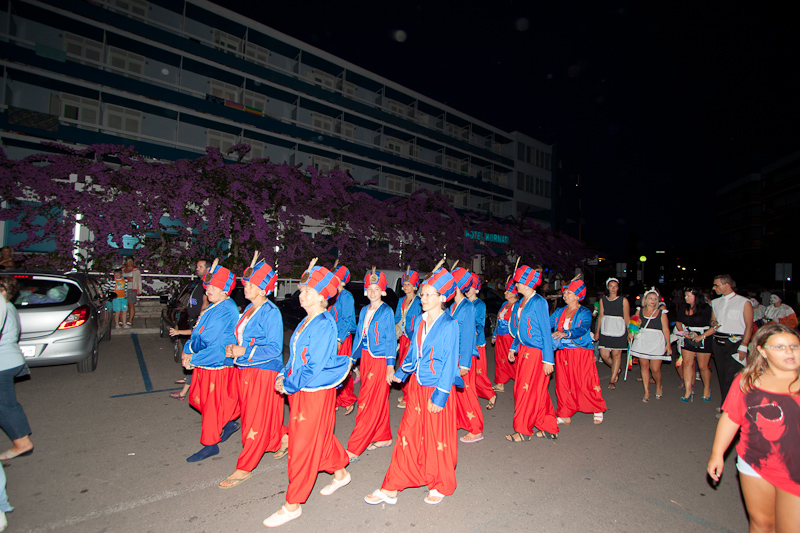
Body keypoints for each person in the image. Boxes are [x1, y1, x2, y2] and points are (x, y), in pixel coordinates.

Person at [364, 262, 462, 506]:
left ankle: (440, 483)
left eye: (429, 294)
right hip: (417, 387)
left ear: (443, 297)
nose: (423, 297)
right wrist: (401, 372)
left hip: (438, 389)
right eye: (422, 293)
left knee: (437, 438)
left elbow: (450, 363)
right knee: (407, 434)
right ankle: (392, 486)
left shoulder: (450, 325)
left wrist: (440, 397)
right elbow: (413, 354)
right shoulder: (419, 320)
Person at [264, 261, 351, 528]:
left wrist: (289, 384)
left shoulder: (324, 324)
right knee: (319, 436)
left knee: (301, 445)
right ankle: (340, 472)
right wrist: (283, 374)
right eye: (302, 291)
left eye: (308, 291)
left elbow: (313, 367)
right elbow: (295, 358)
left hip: (313, 392)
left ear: (323, 296)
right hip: (301, 388)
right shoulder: (306, 320)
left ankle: (292, 504)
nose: (302, 296)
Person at [707, 324, 800, 532]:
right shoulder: (747, 381)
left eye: (794, 346)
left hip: (795, 470)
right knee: (761, 523)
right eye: (780, 347)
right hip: (754, 462)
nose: (789, 351)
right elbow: (731, 417)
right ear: (762, 351)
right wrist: (717, 453)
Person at [218, 258, 287, 489]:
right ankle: (282, 438)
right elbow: (243, 337)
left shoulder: (271, 312)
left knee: (253, 419)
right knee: (258, 413)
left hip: (263, 373)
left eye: (249, 284)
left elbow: (276, 348)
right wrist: (233, 348)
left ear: (262, 288)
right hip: (245, 369)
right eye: (245, 283)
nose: (244, 287)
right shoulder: (249, 308)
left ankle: (245, 466)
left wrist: (243, 350)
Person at [181, 261, 240, 462]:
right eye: (209, 286)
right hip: (207, 360)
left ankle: (210, 443)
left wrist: (189, 349)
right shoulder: (218, 306)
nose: (209, 290)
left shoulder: (224, 308)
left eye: (215, 287)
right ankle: (230, 421)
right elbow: (199, 331)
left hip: (216, 363)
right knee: (200, 399)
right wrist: (189, 347)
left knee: (211, 405)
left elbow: (206, 337)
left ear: (225, 290)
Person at [346, 268, 397, 461]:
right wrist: (352, 359)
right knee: (378, 399)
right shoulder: (364, 310)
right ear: (366, 290)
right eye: (370, 288)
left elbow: (391, 339)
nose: (373, 292)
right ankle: (383, 437)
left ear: (382, 291)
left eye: (377, 288)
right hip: (366, 358)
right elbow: (359, 336)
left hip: (380, 360)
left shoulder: (387, 311)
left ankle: (355, 446)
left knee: (367, 401)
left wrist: (390, 366)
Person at [506, 264, 558, 441]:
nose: (516, 286)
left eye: (518, 282)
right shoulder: (522, 301)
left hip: (536, 353)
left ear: (527, 284)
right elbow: (520, 328)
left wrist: (548, 359)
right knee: (538, 390)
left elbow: (545, 331)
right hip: (524, 350)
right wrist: (514, 346)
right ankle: (549, 426)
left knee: (525, 390)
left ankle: (523, 430)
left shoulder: (539, 302)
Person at [551, 277, 607, 426]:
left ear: (577, 295)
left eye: (569, 292)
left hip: (580, 351)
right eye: (565, 292)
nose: (565, 295)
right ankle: (565, 414)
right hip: (562, 352)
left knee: (585, 381)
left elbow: (582, 329)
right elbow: (548, 322)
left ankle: (597, 408)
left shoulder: (584, 312)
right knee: (563, 383)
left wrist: (565, 333)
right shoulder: (560, 311)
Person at [0, 276, 34, 461]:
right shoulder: (9, 307)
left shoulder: (2, 308)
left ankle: (21, 443)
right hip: (10, 359)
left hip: (3, 362)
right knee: (6, 404)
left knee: (5, 405)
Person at [450, 267, 483, 444]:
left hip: (465, 357)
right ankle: (459, 421)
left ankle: (476, 429)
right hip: (454, 356)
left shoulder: (468, 307)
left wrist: (464, 363)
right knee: (457, 392)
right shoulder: (453, 305)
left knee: (468, 392)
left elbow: (469, 336)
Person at [169, 259, 211, 400]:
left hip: (198, 324)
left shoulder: (208, 285)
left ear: (208, 268)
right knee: (193, 355)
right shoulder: (200, 283)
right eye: (197, 266)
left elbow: (205, 304)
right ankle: (190, 379)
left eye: (200, 266)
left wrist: (200, 320)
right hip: (193, 322)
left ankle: (184, 391)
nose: (197, 268)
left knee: (195, 354)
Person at [710, 274, 754, 406]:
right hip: (718, 341)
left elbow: (749, 326)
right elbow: (712, 319)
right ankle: (725, 405)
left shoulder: (744, 302)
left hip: (736, 343)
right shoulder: (716, 302)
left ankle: (733, 407)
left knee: (733, 376)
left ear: (727, 285)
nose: (714, 288)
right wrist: (713, 323)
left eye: (717, 285)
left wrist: (744, 345)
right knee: (722, 376)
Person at [629, 288, 672, 402]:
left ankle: (658, 385)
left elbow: (666, 329)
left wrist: (668, 345)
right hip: (643, 341)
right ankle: (646, 391)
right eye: (650, 298)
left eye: (655, 299)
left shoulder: (662, 313)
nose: (652, 301)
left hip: (657, 341)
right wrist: (632, 333)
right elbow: (633, 326)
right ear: (645, 300)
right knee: (644, 366)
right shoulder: (640, 311)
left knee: (655, 369)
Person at [675, 287, 713, 402]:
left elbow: (714, 326)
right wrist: (684, 333)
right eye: (685, 296)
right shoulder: (684, 307)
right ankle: (688, 390)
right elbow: (678, 321)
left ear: (696, 297)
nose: (686, 298)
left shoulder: (707, 308)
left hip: (703, 337)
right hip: (689, 337)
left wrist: (702, 336)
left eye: (689, 296)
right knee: (687, 363)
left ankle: (707, 389)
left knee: (702, 366)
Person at [466, 273, 497, 410]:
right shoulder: (463, 303)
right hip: (465, 344)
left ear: (476, 288)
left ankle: (491, 394)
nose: (468, 289)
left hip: (476, 344)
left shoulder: (479, 304)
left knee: (478, 374)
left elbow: (479, 324)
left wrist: (473, 335)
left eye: (471, 287)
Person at [331, 265, 358, 414]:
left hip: (342, 338)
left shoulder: (346, 296)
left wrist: (340, 339)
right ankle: (335, 399)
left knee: (343, 369)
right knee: (332, 368)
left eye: (334, 277)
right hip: (332, 338)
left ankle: (347, 399)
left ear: (342, 280)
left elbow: (347, 320)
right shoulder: (333, 296)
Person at [394, 267, 422, 409]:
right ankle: (406, 393)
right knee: (402, 366)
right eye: (404, 284)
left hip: (413, 339)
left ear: (415, 286)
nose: (405, 287)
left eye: (408, 284)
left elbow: (419, 321)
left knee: (410, 366)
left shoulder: (419, 302)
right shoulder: (400, 301)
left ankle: (409, 397)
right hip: (403, 337)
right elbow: (397, 319)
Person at [595, 277, 630, 390]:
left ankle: (612, 379)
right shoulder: (603, 300)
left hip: (618, 329)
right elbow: (600, 316)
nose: (613, 289)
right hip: (606, 328)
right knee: (604, 355)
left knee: (616, 355)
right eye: (611, 286)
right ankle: (617, 368)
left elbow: (627, 317)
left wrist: (629, 332)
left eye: (615, 286)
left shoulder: (623, 300)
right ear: (607, 287)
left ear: (618, 288)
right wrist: (597, 332)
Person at [491, 276, 518, 393]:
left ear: (514, 293)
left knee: (513, 361)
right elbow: (498, 320)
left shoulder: (517, 306)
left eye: (508, 291)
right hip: (500, 337)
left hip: (510, 337)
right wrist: (494, 334)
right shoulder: (504, 304)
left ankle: (521, 381)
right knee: (500, 359)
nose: (505, 293)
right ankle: (500, 383)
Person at [122, 257, 142, 326]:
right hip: (122, 289)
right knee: (123, 304)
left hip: (131, 288)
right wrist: (127, 278)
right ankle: (122, 319)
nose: (129, 263)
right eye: (128, 261)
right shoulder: (122, 269)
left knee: (131, 304)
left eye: (131, 261)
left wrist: (139, 290)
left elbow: (137, 280)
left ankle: (130, 320)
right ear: (126, 262)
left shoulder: (136, 270)